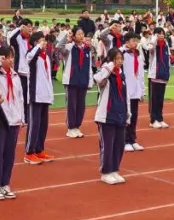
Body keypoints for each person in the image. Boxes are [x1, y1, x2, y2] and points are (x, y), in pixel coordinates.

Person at [0, 45, 24, 199]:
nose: (11, 60)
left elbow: (20, 98)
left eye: (12, 57)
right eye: (8, 57)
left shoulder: (16, 76)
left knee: (10, 154)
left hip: (14, 119)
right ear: (1, 58)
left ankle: (5, 183)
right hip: (0, 120)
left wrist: (22, 117)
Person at [94, 48, 129, 184]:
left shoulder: (121, 75)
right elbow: (98, 79)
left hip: (120, 113)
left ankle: (115, 169)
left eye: (121, 59)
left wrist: (128, 113)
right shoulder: (106, 75)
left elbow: (126, 96)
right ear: (111, 59)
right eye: (117, 59)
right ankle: (106, 171)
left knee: (119, 145)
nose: (120, 61)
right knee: (107, 145)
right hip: (107, 115)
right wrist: (109, 67)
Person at [24, 32, 55, 165]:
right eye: (42, 41)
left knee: (43, 125)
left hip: (45, 95)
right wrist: (37, 47)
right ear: (35, 43)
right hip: (35, 95)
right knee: (34, 124)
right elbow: (29, 56)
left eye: (45, 41)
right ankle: (29, 152)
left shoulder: (45, 56)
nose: (44, 43)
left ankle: (39, 149)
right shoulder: (32, 56)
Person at [61, 26, 92, 138]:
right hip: (71, 80)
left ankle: (77, 126)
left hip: (83, 80)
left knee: (81, 106)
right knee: (71, 105)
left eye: (82, 33)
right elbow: (58, 46)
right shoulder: (69, 47)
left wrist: (90, 81)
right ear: (73, 36)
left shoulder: (87, 48)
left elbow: (89, 67)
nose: (81, 35)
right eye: (78, 34)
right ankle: (70, 127)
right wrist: (66, 36)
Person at [120, 33, 146, 152]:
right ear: (126, 42)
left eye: (136, 41)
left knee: (134, 116)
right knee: (126, 116)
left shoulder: (138, 55)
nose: (135, 43)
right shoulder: (121, 53)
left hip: (135, 90)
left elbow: (140, 74)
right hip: (125, 90)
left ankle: (132, 139)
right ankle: (124, 140)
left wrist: (142, 91)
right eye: (132, 41)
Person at [145, 27, 171, 129]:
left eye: (162, 34)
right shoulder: (153, 45)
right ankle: (153, 119)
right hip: (154, 75)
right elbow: (149, 48)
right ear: (155, 35)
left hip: (163, 75)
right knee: (154, 99)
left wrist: (167, 74)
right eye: (159, 34)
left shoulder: (166, 45)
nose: (161, 35)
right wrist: (154, 38)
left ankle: (160, 118)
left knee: (160, 99)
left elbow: (167, 59)